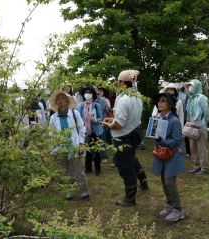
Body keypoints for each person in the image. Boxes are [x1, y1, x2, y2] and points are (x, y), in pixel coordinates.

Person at [102, 69, 149, 207]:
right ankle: (143, 179)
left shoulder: (122, 99)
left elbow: (119, 124)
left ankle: (130, 198)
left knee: (125, 166)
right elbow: (128, 117)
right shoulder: (137, 95)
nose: (116, 84)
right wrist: (112, 118)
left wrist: (108, 124)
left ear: (122, 83)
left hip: (124, 137)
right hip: (135, 132)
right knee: (131, 158)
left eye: (118, 81)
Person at [49, 89, 89, 200]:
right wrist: (52, 150)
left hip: (74, 146)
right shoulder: (53, 117)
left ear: (67, 101)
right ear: (55, 102)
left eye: (63, 99)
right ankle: (68, 192)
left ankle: (84, 192)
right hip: (60, 148)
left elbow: (81, 128)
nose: (60, 101)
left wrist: (81, 143)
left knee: (78, 171)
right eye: (58, 99)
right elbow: (51, 134)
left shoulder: (75, 114)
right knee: (64, 172)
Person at [152, 92, 186, 222]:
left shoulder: (174, 120)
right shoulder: (158, 117)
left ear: (170, 104)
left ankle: (178, 210)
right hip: (162, 154)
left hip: (173, 155)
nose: (160, 103)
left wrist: (163, 141)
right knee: (163, 180)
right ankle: (170, 204)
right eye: (159, 101)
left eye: (163, 101)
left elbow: (177, 140)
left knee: (169, 181)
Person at [185, 79, 209, 174]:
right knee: (193, 147)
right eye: (189, 86)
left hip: (200, 125)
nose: (190, 88)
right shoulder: (190, 98)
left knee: (202, 148)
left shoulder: (202, 97)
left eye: (192, 85)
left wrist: (203, 124)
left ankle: (205, 168)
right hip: (191, 125)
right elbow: (188, 112)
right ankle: (196, 166)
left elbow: (207, 113)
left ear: (197, 86)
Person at [78, 86, 104, 175]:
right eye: (86, 92)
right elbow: (78, 118)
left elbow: (101, 117)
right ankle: (88, 168)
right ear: (83, 94)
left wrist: (96, 120)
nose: (88, 94)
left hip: (96, 131)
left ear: (93, 94)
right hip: (86, 131)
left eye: (90, 92)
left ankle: (98, 169)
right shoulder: (81, 105)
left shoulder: (97, 105)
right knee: (88, 151)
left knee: (97, 151)